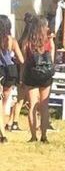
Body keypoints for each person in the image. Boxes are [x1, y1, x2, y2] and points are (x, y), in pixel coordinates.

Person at [21, 15, 55, 143]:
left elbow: (24, 62)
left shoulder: (27, 42)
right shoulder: (48, 42)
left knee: (32, 106)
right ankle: (44, 136)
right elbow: (52, 59)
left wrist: (21, 79)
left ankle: (33, 136)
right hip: (46, 76)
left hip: (31, 75)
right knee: (44, 106)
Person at [0, 15, 24, 140]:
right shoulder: (12, 40)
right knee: (4, 103)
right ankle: (2, 127)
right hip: (11, 71)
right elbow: (21, 60)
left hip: (0, 70)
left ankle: (1, 131)